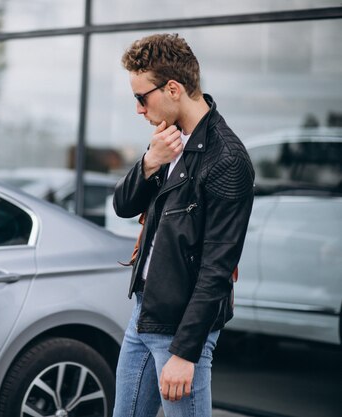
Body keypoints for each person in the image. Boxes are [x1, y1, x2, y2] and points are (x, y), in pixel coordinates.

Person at [112, 33, 254, 417]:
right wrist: (149, 161)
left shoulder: (227, 160)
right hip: (144, 314)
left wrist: (185, 352)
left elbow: (218, 268)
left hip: (180, 329)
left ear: (172, 88)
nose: (139, 110)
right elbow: (123, 205)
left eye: (142, 97)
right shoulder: (166, 142)